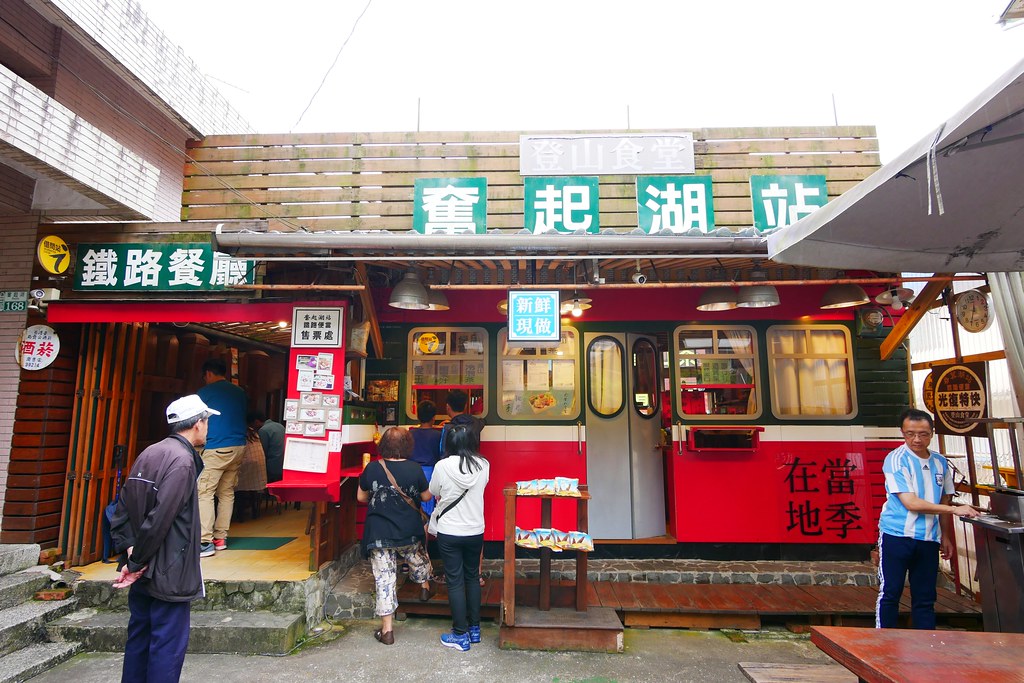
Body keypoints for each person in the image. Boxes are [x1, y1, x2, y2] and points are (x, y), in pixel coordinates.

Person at [109, 394, 215, 683]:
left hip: (144, 566)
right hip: (169, 568)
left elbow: (122, 509)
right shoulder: (183, 462)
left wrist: (130, 553)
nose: (207, 428)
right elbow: (161, 518)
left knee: (140, 639)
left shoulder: (150, 452)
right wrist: (137, 560)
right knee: (167, 647)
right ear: (197, 424)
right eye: (206, 422)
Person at [876, 408, 979, 629]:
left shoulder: (940, 462)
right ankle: (883, 642)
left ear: (932, 433)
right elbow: (911, 503)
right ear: (902, 433)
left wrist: (947, 537)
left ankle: (926, 647)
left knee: (925, 597)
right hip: (896, 534)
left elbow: (946, 499)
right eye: (910, 433)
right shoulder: (895, 460)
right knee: (890, 592)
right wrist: (954, 511)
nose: (916, 439)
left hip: (929, 538)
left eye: (923, 434)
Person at [357, 427, 434, 646]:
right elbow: (426, 495)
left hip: (379, 533)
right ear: (407, 445)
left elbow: (361, 497)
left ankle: (387, 631)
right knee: (418, 558)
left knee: (384, 579)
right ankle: (424, 588)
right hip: (408, 530)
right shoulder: (414, 468)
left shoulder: (372, 468)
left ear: (383, 446)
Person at [430, 423, 489, 652]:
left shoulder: (442, 466)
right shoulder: (484, 465)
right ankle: (475, 629)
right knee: (472, 577)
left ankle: (459, 634)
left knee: (455, 580)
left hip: (449, 531)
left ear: (449, 444)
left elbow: (434, 491)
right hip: (475, 529)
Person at [196, 358, 248, 557]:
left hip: (217, 446)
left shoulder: (205, 393)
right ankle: (220, 538)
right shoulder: (240, 392)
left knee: (205, 492)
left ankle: (205, 541)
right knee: (226, 493)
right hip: (238, 446)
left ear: (208, 373)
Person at [410, 400, 442, 516]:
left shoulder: (411, 434)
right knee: (427, 510)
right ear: (434, 418)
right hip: (430, 473)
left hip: (412, 472)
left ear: (418, 416)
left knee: (413, 505)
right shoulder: (438, 435)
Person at [438, 389, 484, 458]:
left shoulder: (448, 428)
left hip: (452, 465)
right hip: (471, 462)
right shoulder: (476, 423)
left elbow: (443, 451)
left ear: (448, 407)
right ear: (465, 406)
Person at [250, 411, 285, 484]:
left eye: (251, 425)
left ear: (256, 422)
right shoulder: (279, 425)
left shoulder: (263, 430)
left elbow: (262, 451)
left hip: (272, 466)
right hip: (283, 464)